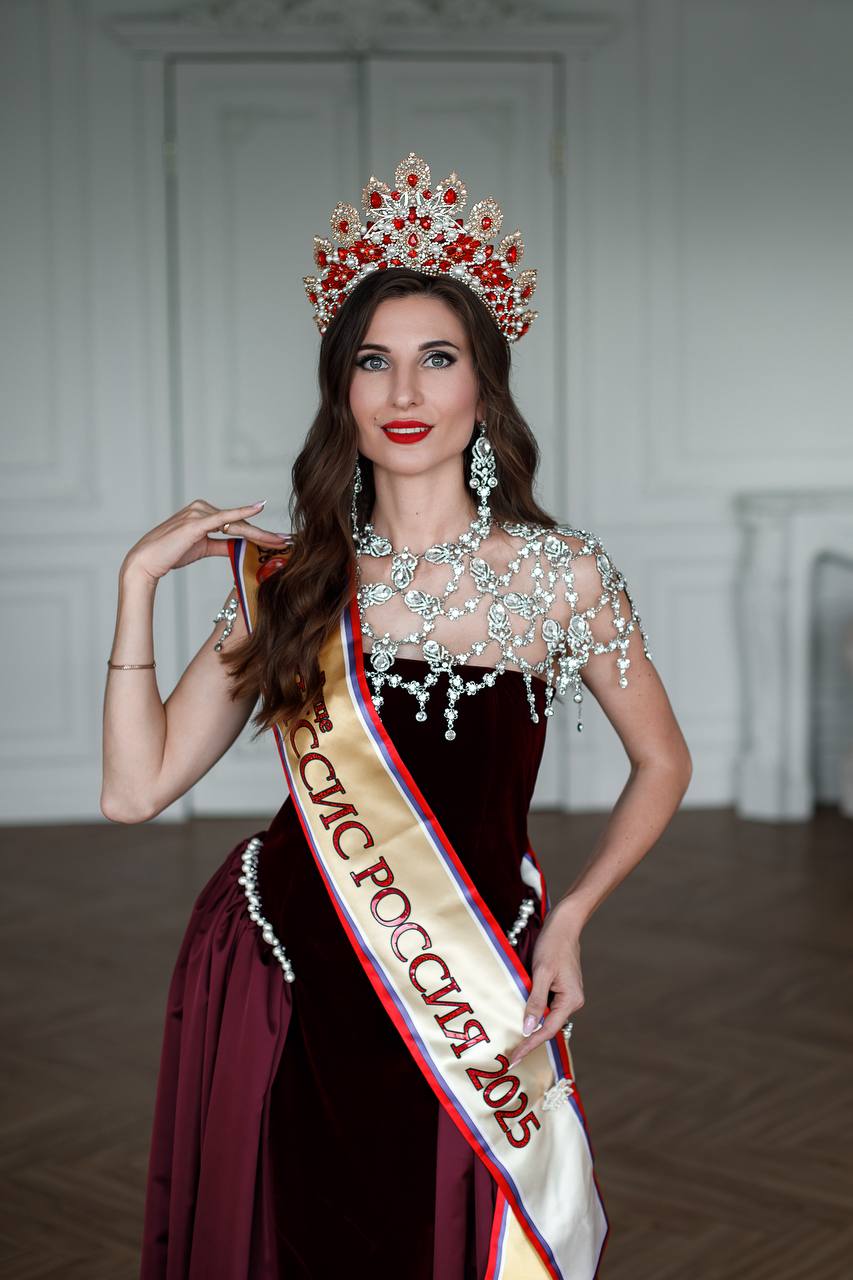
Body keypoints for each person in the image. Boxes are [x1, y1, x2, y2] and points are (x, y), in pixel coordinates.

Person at [102, 152, 692, 1280]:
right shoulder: (292, 582)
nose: (405, 393)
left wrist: (572, 917)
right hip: (287, 966)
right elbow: (134, 792)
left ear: (483, 385)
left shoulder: (562, 576)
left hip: (474, 969)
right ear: (343, 391)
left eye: (438, 359)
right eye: (374, 362)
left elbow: (662, 761)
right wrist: (137, 584)